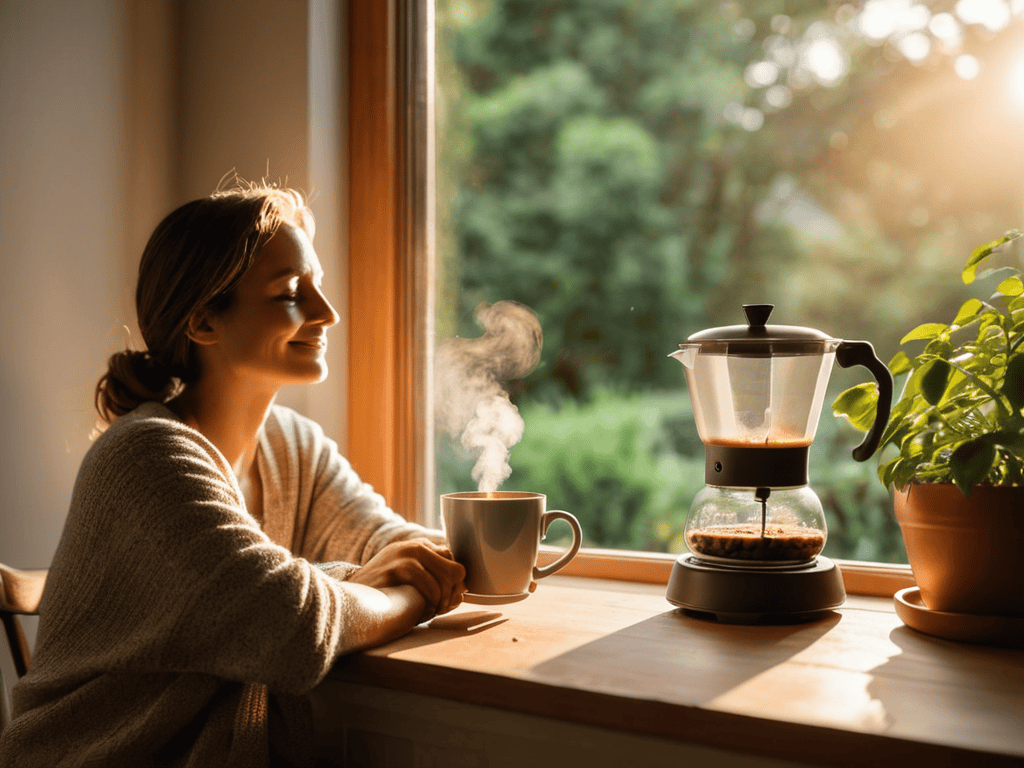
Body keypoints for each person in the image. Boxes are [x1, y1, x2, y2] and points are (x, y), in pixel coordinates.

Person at [0, 182, 466, 767]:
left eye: (318, 285)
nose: (327, 313)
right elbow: (288, 624)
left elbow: (388, 542)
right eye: (291, 293)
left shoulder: (292, 445)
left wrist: (469, 553)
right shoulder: (145, 458)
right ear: (202, 322)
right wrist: (404, 595)